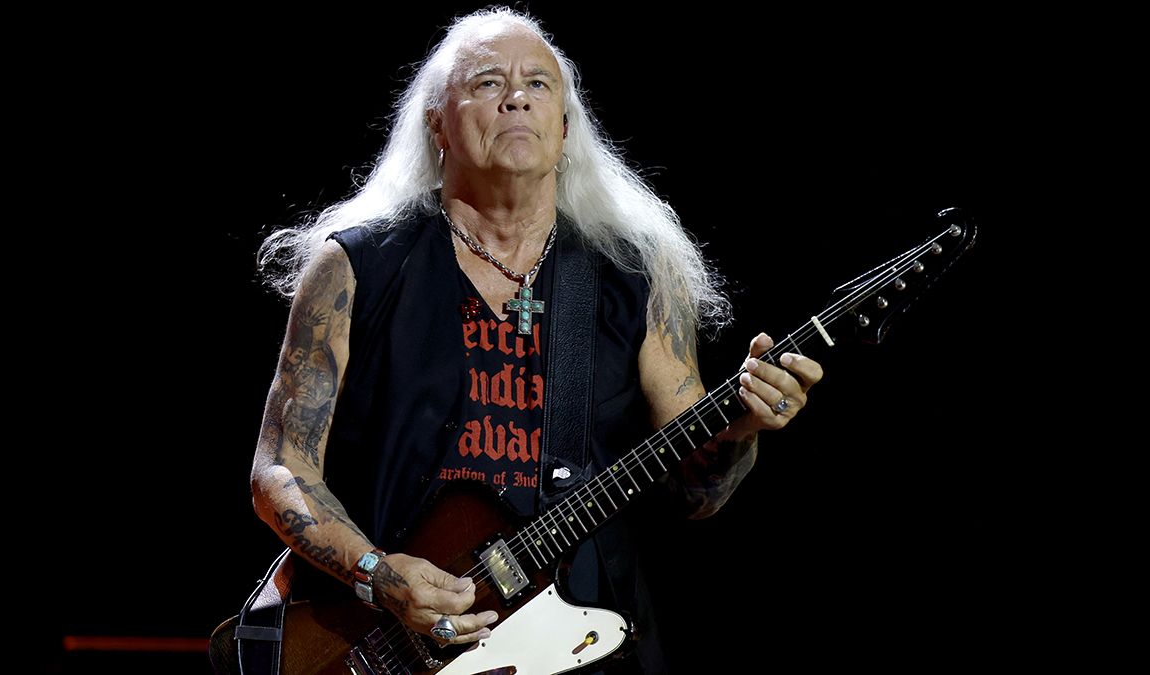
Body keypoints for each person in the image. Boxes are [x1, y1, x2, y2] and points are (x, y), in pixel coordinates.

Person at [246, 6, 822, 674]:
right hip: (397, 643)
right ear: (438, 123)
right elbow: (280, 470)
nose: (516, 95)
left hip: (581, 640)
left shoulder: (635, 276)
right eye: (488, 82)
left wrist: (740, 430)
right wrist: (378, 572)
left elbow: (697, 493)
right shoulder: (356, 267)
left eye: (538, 84)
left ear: (565, 128)